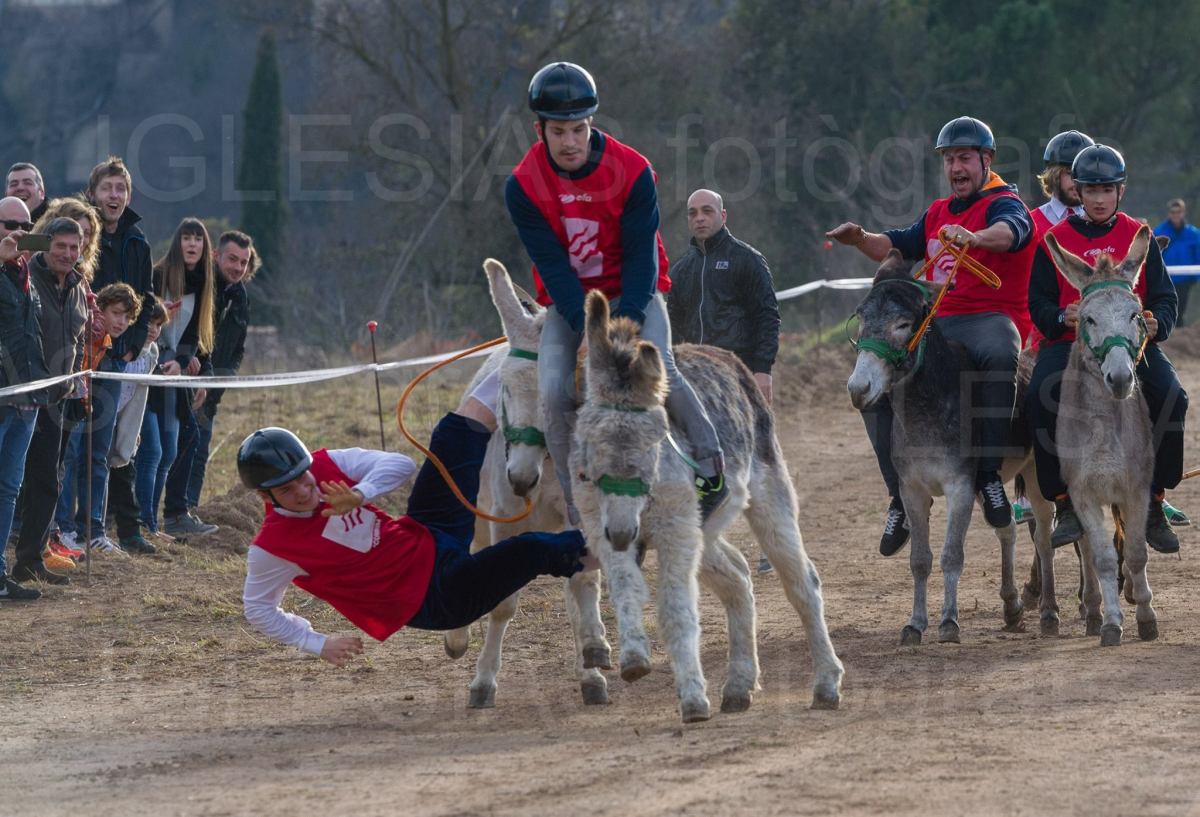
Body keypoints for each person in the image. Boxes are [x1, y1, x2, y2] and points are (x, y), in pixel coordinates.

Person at [505, 61, 727, 526]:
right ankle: (576, 501)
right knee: (552, 389)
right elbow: (553, 268)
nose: (570, 142)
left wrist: (621, 330)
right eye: (559, 131)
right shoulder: (523, 186)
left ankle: (711, 464)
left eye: (579, 130)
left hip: (634, 290)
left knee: (658, 366)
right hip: (570, 301)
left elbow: (641, 259)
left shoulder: (632, 170)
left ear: (592, 124)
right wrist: (588, 330)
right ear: (539, 128)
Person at [240, 382, 595, 665]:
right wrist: (315, 643)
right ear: (265, 497)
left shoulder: (325, 464)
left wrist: (361, 494)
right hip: (435, 598)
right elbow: (257, 608)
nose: (304, 490)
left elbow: (400, 465)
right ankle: (612, 543)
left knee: (452, 434)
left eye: (304, 477)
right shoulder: (272, 548)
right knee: (530, 548)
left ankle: (521, 358)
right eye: (288, 490)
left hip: (426, 532)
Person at [827, 115, 1035, 556]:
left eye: (964, 158)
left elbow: (1014, 233)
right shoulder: (939, 212)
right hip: (937, 322)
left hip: (990, 317)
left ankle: (990, 477)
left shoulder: (1005, 202)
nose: (956, 168)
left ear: (986, 160)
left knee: (1000, 355)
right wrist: (860, 237)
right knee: (876, 375)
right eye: (949, 160)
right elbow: (897, 245)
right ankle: (898, 497)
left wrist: (973, 236)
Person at [1026, 144, 1186, 555]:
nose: (1098, 198)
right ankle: (1063, 503)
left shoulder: (1138, 235)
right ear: (1076, 191)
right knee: (1039, 395)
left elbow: (1166, 297)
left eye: (1107, 190)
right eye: (1090, 190)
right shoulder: (1053, 240)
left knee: (1172, 395)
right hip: (1068, 345)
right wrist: (1062, 317)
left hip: (1129, 344)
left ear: (1121, 191)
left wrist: (1157, 323)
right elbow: (1038, 301)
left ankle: (1153, 502)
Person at [1011, 130, 1094, 527]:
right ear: (1056, 176)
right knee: (1030, 396)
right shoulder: (1031, 223)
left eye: (1087, 177)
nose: (1079, 185)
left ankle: (1148, 492)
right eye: (1071, 176)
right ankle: (1031, 489)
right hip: (1041, 332)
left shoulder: (1099, 222)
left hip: (1096, 333)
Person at [11, 218, 90, 586]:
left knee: (48, 482)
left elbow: (77, 340)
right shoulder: (28, 279)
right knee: (14, 481)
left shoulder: (78, 286)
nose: (67, 254)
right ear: (46, 244)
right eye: (60, 246)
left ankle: (31, 559)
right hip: (22, 397)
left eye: (74, 248)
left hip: (61, 399)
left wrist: (76, 380)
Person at [164, 231, 254, 535]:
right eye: (232, 259)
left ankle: (187, 511)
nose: (238, 267)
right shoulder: (202, 285)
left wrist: (226, 376)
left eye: (243, 262)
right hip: (186, 378)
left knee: (200, 450)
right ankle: (153, 513)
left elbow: (238, 345)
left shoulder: (240, 294)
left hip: (213, 387)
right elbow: (189, 333)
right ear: (215, 255)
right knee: (166, 448)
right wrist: (197, 369)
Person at [135, 218, 216, 534]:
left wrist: (182, 363)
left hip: (174, 373)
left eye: (199, 238)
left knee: (171, 448)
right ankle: (144, 520)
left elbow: (193, 335)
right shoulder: (157, 275)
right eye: (187, 237)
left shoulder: (203, 283)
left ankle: (155, 521)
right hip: (148, 367)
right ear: (177, 243)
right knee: (152, 450)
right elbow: (141, 319)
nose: (193, 244)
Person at [667, 188, 780, 402]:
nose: (699, 218)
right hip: (692, 374)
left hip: (738, 374)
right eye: (693, 213)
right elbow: (672, 326)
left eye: (707, 211)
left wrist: (763, 370)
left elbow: (767, 317)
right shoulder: (681, 269)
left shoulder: (748, 259)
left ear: (723, 215)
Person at [56, 283, 142, 558]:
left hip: (108, 378)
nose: (121, 321)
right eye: (116, 313)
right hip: (75, 389)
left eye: (128, 317)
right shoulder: (87, 332)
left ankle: (94, 529)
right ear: (100, 308)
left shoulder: (109, 342)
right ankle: (64, 529)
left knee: (98, 456)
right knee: (69, 455)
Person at [0, 197, 48, 600]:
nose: (18, 230)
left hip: (27, 397)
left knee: (9, 489)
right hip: (1, 396)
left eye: (26, 224)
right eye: (9, 223)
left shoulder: (26, 274)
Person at [108, 301, 169, 556]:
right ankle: (82, 530)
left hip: (125, 421)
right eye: (149, 323)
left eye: (159, 325)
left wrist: (132, 430)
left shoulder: (152, 353)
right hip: (101, 417)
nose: (154, 330)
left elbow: (137, 395)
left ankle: (130, 534)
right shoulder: (121, 347)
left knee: (125, 473)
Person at [87, 156, 155, 360]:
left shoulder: (139, 242)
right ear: (91, 194)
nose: (114, 195)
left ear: (129, 197)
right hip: (84, 351)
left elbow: (147, 297)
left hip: (122, 355)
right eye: (106, 188)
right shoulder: (79, 237)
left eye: (120, 189)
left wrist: (134, 348)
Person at [1154, 199, 1200, 325]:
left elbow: (1198, 255)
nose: (1175, 215)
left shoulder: (1194, 233)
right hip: (1166, 279)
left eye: (1178, 212)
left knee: (1181, 308)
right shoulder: (1159, 231)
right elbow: (1154, 256)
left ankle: (1179, 335)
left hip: (1186, 279)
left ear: (1183, 213)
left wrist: (1195, 276)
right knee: (1167, 307)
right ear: (1169, 213)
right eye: (1173, 212)